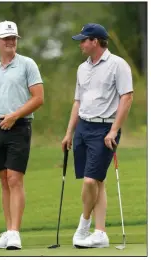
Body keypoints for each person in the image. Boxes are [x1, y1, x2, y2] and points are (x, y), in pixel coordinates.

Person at [62, 23, 133, 248]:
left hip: (105, 130)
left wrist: (114, 130)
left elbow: (127, 97)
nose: (81, 44)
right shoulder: (82, 68)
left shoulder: (118, 65)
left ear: (95, 41)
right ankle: (100, 233)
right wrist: (69, 133)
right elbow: (78, 101)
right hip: (83, 127)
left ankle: (84, 223)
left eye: (84, 40)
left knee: (91, 180)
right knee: (98, 181)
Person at [0, 20, 44, 250]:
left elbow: (38, 98)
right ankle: (8, 230)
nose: (10, 42)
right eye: (6, 38)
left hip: (19, 126)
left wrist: (14, 115)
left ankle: (15, 232)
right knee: (4, 180)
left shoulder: (27, 64)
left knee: (15, 179)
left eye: (13, 38)